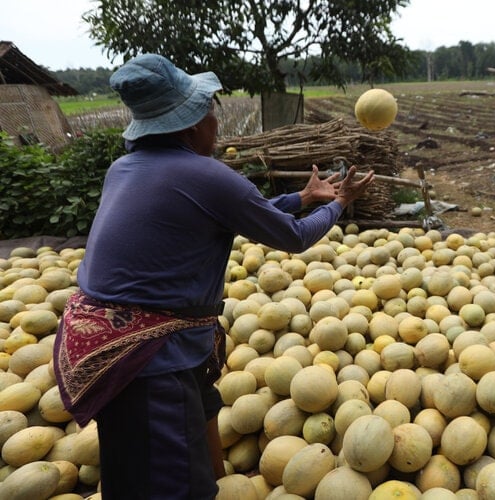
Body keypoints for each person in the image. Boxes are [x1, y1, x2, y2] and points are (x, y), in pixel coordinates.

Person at [52, 53, 374, 499]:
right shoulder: (206, 175)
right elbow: (295, 238)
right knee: (171, 486)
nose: (216, 122)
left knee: (137, 460)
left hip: (101, 340)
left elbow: (229, 215)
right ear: (190, 126)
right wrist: (336, 205)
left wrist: (301, 197)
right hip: (147, 356)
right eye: (210, 111)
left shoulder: (123, 169)